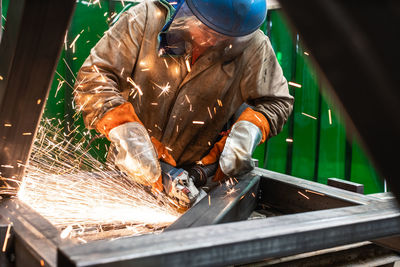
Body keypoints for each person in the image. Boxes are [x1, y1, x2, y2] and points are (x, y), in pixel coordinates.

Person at [74, 0, 294, 208]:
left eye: (225, 37)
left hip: (199, 182)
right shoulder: (145, 19)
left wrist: (249, 130)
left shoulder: (254, 45)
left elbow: (277, 103)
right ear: (188, 9)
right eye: (207, 31)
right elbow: (93, 79)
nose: (214, 41)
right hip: (129, 173)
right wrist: (125, 132)